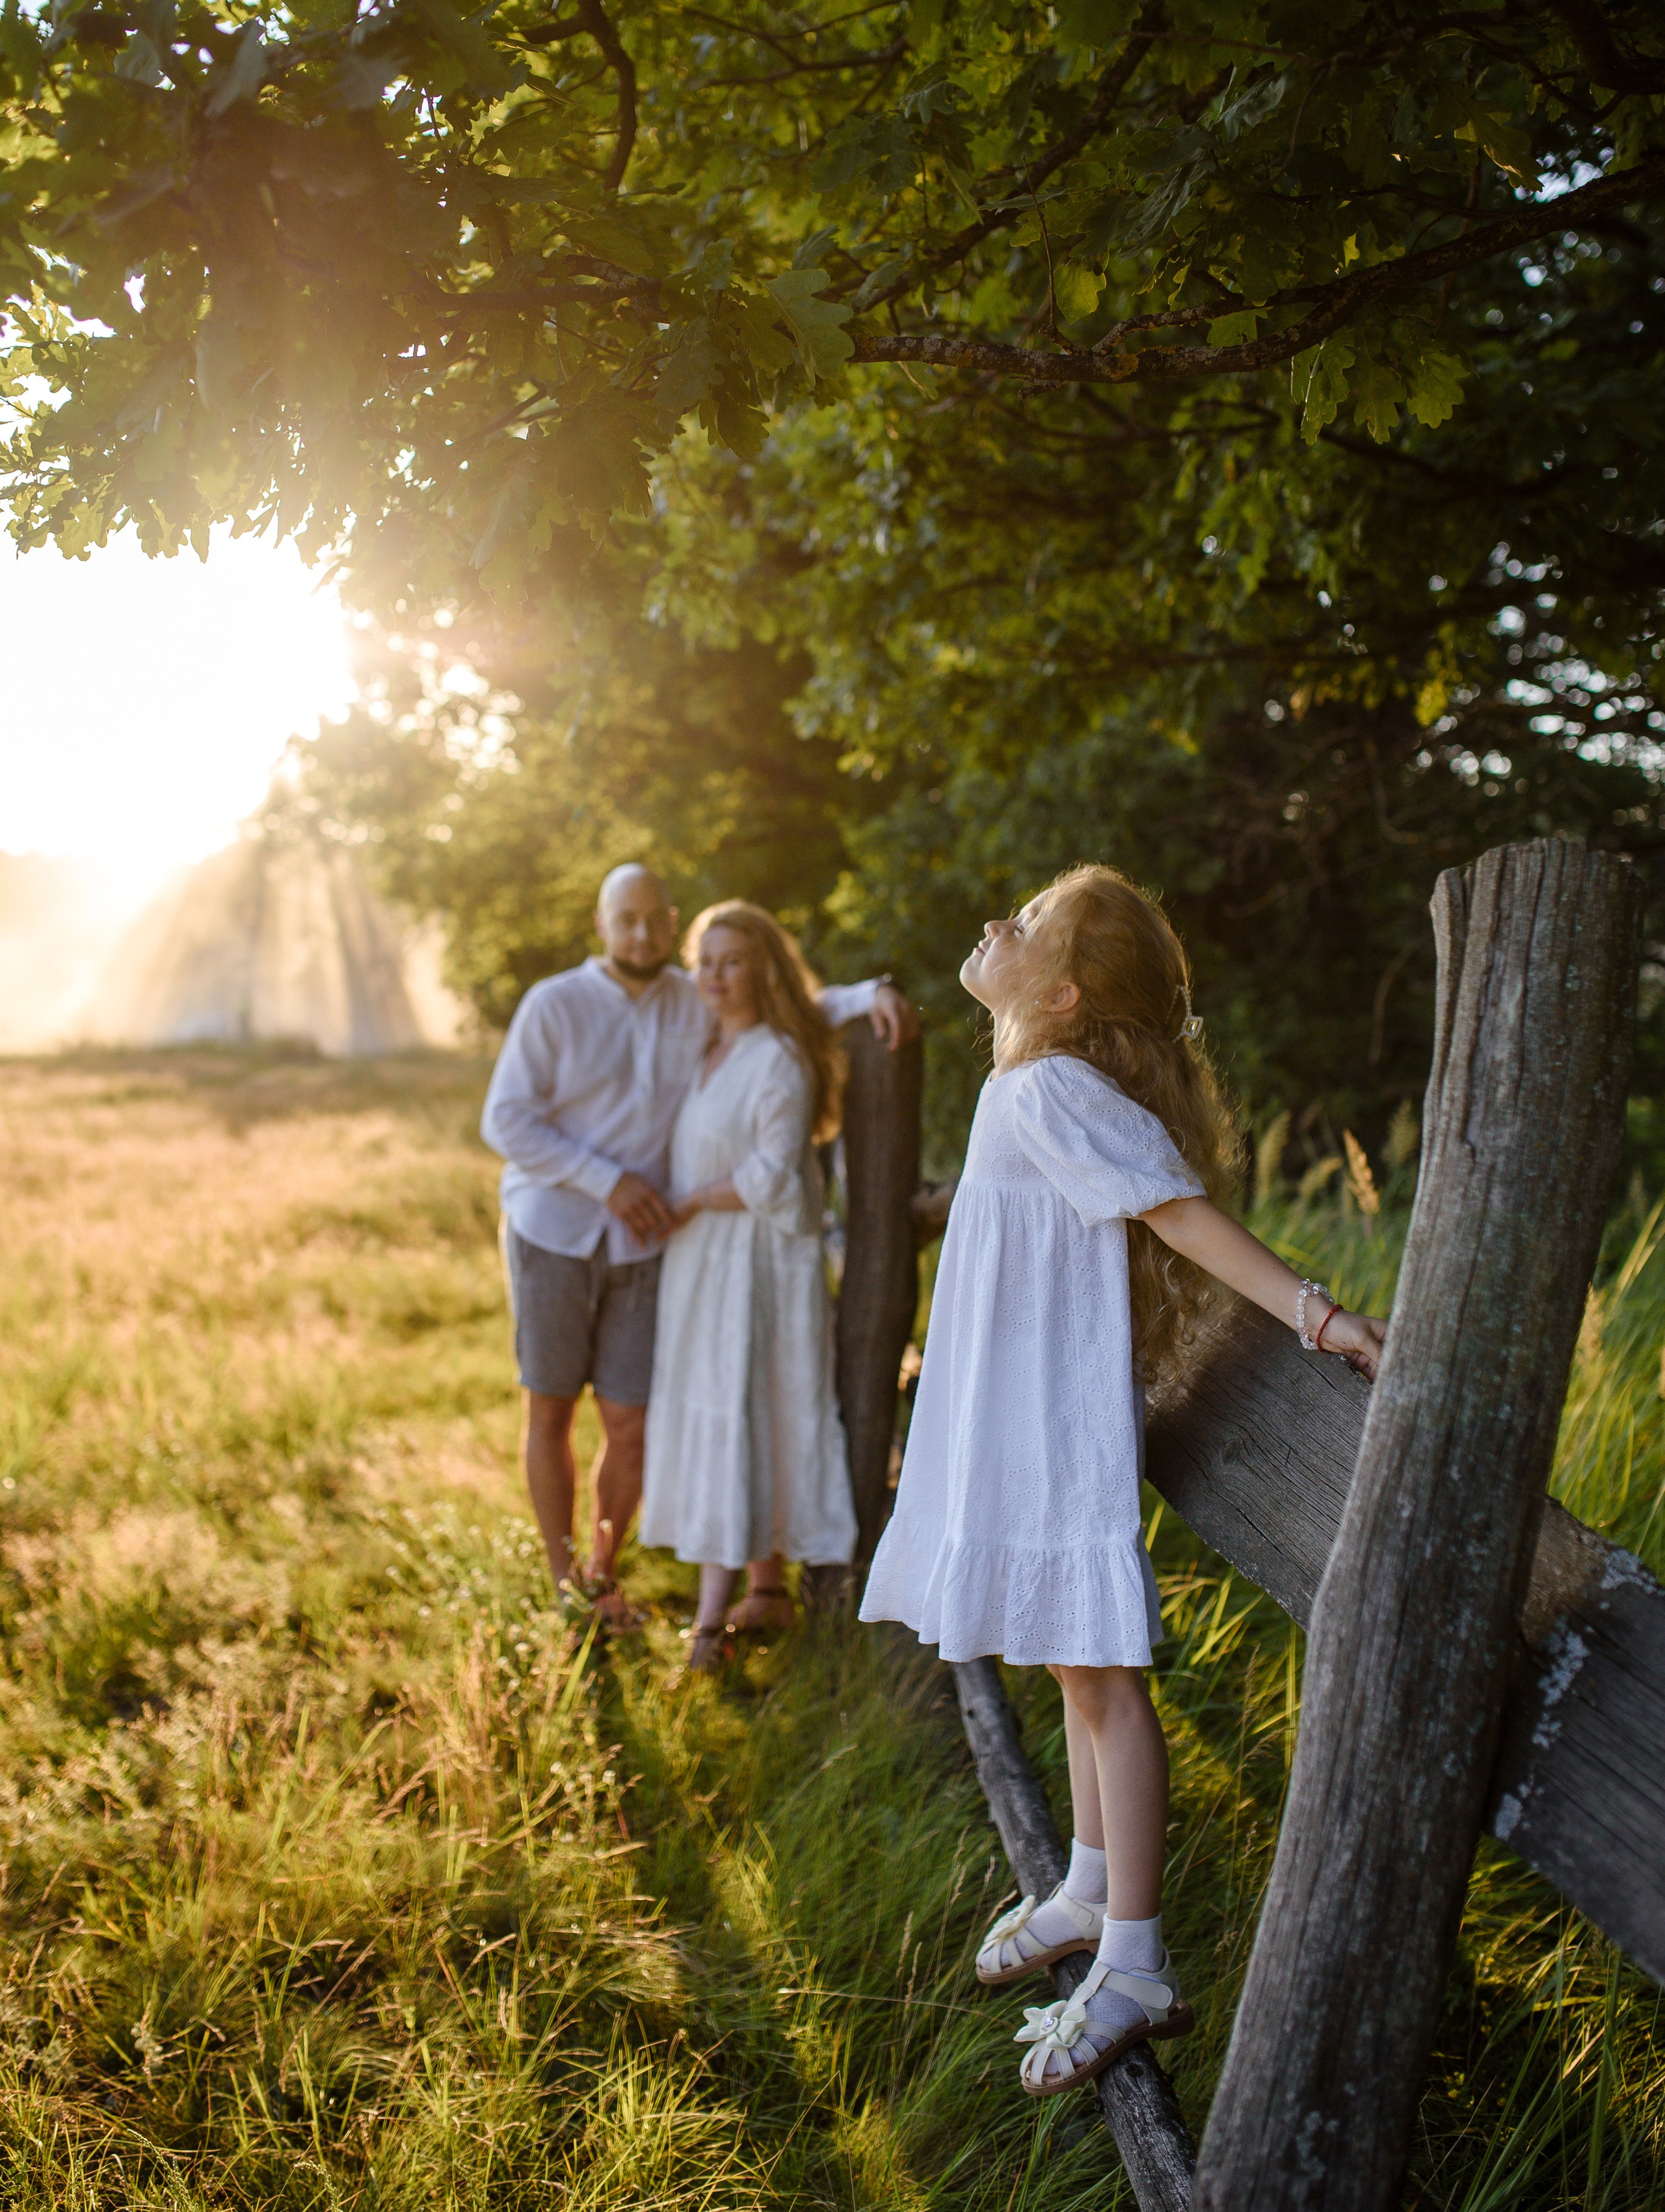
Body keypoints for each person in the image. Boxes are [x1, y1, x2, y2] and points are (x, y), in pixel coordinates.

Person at [860, 864, 1385, 2099]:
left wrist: (1322, 1313)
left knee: (1102, 1677)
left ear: (1064, 988)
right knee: (1067, 1661)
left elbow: (1179, 1211)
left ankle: (1138, 1957)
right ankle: (1092, 1880)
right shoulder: (1023, 1083)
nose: (996, 921)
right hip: (1013, 1417)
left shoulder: (1049, 1085)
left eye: (1028, 923)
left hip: (1050, 1428)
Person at [481, 864, 914, 1624]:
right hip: (555, 1227)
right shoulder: (554, 1005)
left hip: (647, 1244)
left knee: (629, 1422)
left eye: (655, 920)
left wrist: (870, 993)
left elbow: (790, 1000)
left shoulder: (693, 996)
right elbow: (506, 1121)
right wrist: (605, 1181)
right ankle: (565, 1587)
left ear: (669, 921)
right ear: (602, 923)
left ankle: (602, 1574)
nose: (642, 934)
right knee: (549, 1410)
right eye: (627, 920)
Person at [638, 902, 859, 1672]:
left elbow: (772, 1175)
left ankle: (707, 1626)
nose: (716, 977)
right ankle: (765, 1590)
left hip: (758, 1264)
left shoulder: (779, 1058)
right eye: (707, 961)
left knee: (747, 1407)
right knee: (730, 1408)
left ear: (764, 968)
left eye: (733, 961)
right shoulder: (707, 1047)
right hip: (704, 1264)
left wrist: (692, 1199)